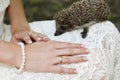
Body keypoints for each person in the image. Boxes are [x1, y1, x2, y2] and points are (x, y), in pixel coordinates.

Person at [0, 0, 120, 80]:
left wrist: (19, 26)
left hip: (5, 33)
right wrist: (17, 54)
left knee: (105, 31)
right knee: (92, 67)